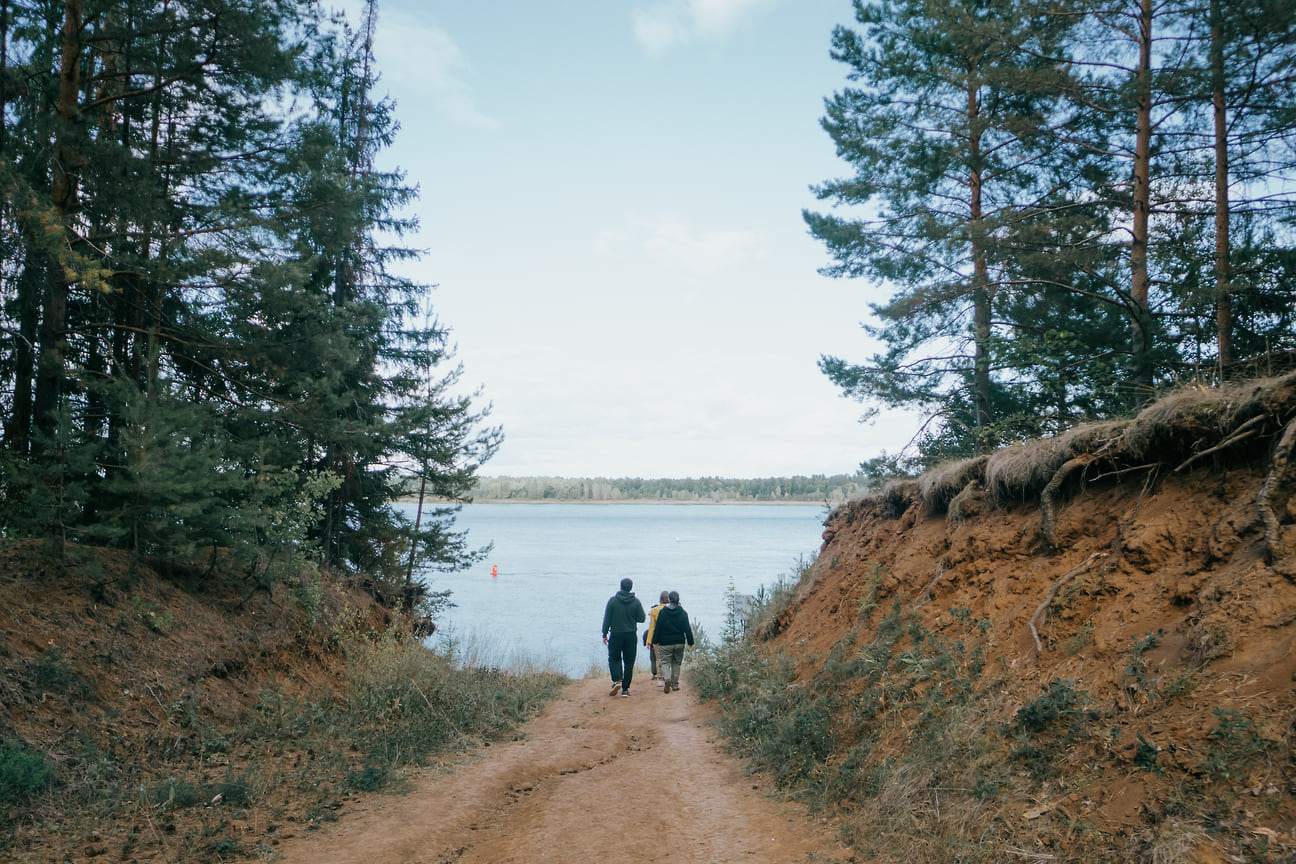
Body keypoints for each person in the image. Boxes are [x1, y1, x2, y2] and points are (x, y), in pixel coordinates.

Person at [601, 577, 646, 697]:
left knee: (614, 658)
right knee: (629, 661)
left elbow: (607, 619)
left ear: (620, 587)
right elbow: (642, 618)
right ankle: (625, 689)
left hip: (616, 634)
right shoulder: (636, 602)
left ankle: (617, 680)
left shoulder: (613, 601)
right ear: (631, 587)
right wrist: (632, 616)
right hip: (631, 635)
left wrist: (604, 634)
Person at [650, 590, 694, 694]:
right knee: (676, 663)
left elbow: (658, 628)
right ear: (678, 600)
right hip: (679, 642)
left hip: (665, 643)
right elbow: (687, 629)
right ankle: (674, 685)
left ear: (669, 600)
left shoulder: (663, 612)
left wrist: (654, 641)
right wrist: (690, 642)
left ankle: (667, 678)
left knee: (664, 662)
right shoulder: (683, 613)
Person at [644, 590, 670, 682]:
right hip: (670, 637)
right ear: (669, 600)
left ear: (660, 600)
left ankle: (660, 678)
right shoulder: (673, 609)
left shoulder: (654, 610)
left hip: (658, 638)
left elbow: (651, 628)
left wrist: (649, 641)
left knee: (658, 659)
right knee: (668, 658)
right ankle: (668, 676)